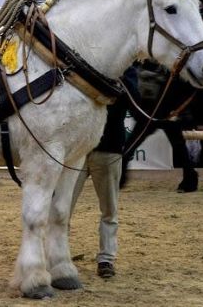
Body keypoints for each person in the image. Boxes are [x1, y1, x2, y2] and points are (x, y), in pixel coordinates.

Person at [70, 66, 138, 278]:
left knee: (109, 209)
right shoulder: (84, 63)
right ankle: (58, 254)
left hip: (108, 149)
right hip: (79, 149)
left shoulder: (128, 73)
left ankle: (107, 258)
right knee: (63, 207)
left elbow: (135, 100)